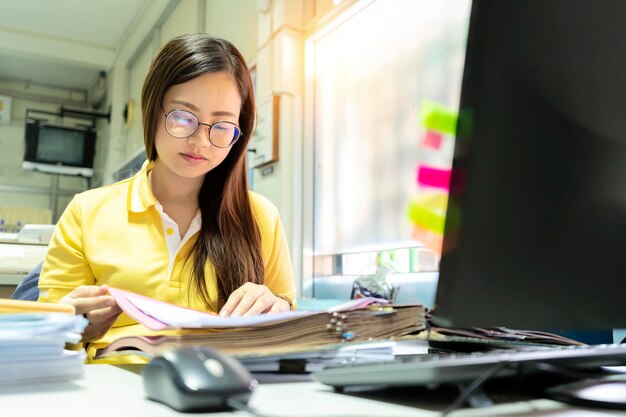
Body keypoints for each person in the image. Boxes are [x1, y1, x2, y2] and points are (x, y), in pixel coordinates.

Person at [37, 33, 296, 362]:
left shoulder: (260, 215)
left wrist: (277, 307)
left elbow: (290, 323)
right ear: (153, 109)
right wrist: (73, 325)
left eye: (222, 126)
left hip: (222, 390)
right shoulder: (86, 213)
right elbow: (45, 339)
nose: (200, 141)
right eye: (183, 118)